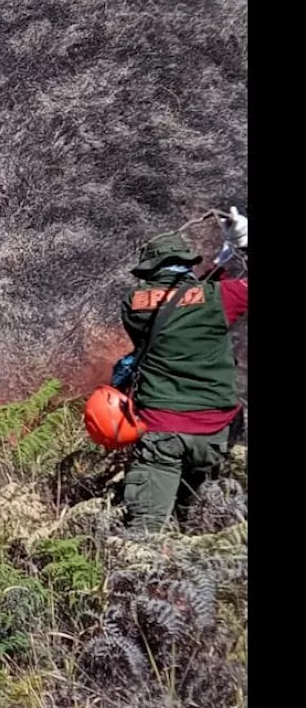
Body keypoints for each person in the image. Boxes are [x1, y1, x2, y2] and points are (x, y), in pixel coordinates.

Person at [120, 209, 248, 532]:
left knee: (143, 535)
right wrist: (242, 244)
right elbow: (202, 296)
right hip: (214, 433)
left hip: (161, 429)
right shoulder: (223, 298)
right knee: (199, 531)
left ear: (149, 270)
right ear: (187, 263)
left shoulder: (133, 305)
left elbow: (177, 304)